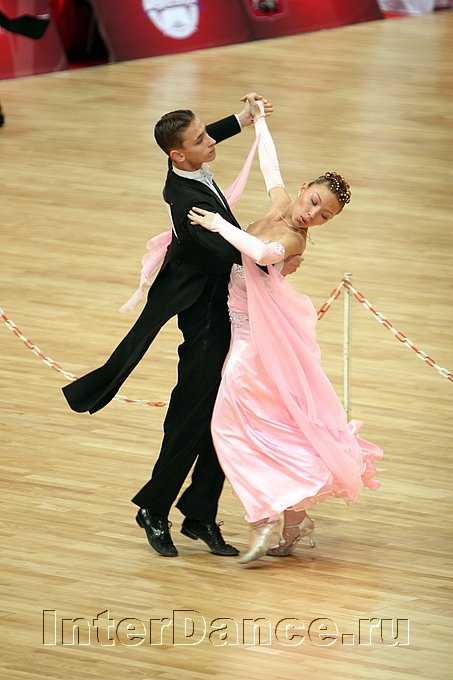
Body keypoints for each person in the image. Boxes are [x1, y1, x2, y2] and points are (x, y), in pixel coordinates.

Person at [62, 92, 285, 558]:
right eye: (200, 140)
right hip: (205, 319)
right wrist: (279, 255)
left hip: (226, 311)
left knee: (227, 415)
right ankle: (154, 508)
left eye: (206, 133)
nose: (210, 142)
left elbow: (203, 139)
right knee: (192, 417)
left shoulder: (185, 166)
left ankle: (200, 513)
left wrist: (242, 119)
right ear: (177, 155)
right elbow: (232, 255)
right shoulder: (188, 203)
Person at [188, 109, 383, 564]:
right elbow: (270, 166)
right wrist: (259, 123)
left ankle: (265, 515)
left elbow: (260, 252)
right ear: (302, 188)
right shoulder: (280, 203)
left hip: (258, 336)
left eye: (324, 215)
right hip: (245, 324)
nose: (312, 214)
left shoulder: (295, 239)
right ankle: (293, 519)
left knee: (229, 423)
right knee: (270, 423)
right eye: (313, 201)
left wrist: (218, 224)